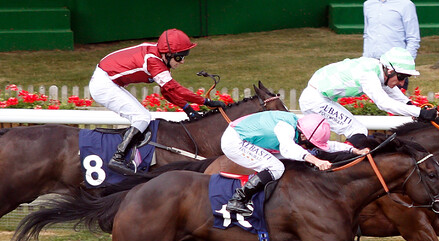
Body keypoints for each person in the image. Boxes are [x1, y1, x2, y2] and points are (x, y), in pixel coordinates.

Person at [89, 28, 225, 175]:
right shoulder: (154, 62)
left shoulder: (159, 56)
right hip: (103, 85)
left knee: (143, 116)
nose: (183, 61)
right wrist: (206, 102)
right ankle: (118, 157)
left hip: (109, 80)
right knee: (142, 117)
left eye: (185, 57)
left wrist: (188, 109)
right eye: (179, 58)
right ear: (168, 54)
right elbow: (175, 88)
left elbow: (167, 92)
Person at [221, 111, 369, 216]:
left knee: (291, 162)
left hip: (249, 137)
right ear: (303, 134)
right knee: (276, 167)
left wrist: (353, 150)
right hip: (235, 141)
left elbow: (328, 145)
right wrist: (316, 161)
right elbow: (288, 149)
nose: (310, 147)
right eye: (310, 144)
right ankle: (238, 199)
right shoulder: (285, 127)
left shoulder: (301, 127)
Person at [298, 47, 437, 149]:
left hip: (319, 97)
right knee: (357, 131)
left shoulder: (377, 68)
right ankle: (343, 164)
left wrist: (411, 105)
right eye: (401, 77)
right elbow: (383, 103)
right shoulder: (368, 74)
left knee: (357, 130)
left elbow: (390, 89)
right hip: (315, 100)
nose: (402, 83)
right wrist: (419, 112)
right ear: (390, 70)